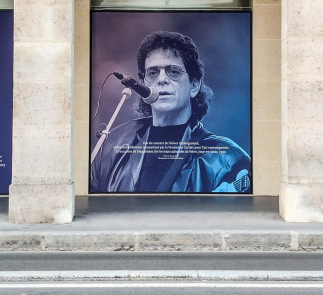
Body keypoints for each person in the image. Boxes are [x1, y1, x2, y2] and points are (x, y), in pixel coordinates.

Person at [90, 31, 251, 193]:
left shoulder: (228, 160)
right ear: (143, 84)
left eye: (173, 71)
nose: (161, 79)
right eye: (152, 73)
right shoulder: (111, 144)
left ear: (194, 86)